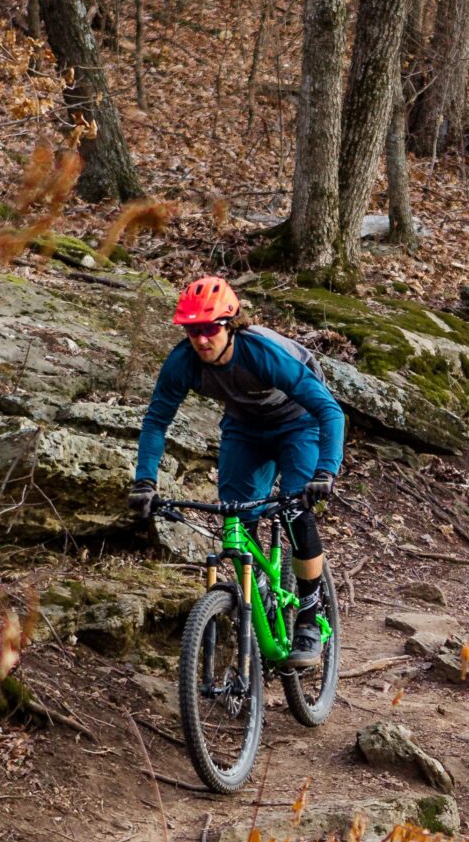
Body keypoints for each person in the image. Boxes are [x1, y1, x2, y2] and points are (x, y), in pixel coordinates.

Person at [129, 276, 346, 666]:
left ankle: (310, 620)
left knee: (296, 511)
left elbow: (329, 410)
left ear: (230, 324)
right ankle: (259, 588)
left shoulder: (262, 353)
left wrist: (325, 472)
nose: (200, 340)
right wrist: (144, 480)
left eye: (209, 329)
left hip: (299, 423)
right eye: (192, 331)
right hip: (244, 429)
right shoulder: (183, 363)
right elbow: (156, 420)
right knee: (235, 517)